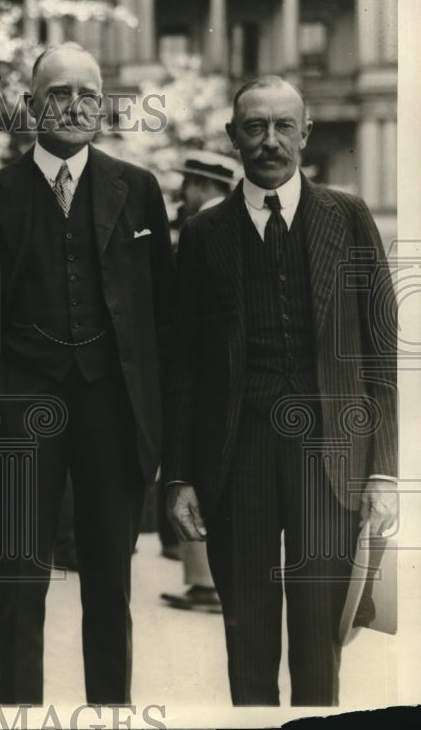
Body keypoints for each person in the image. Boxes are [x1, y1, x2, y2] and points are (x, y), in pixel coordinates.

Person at [0, 43, 174, 705]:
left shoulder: (138, 189)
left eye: (87, 94)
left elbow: (163, 306)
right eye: (58, 93)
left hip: (114, 403)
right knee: (20, 584)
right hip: (23, 404)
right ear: (30, 105)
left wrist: (155, 408)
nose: (74, 105)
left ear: (100, 105)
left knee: (111, 582)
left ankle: (111, 713)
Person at [164, 76, 398, 706]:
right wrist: (180, 474)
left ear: (306, 133)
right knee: (249, 637)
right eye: (255, 127)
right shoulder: (205, 235)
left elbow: (379, 348)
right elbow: (181, 365)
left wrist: (384, 472)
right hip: (237, 457)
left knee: (321, 637)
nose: (270, 141)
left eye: (283, 127)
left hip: (332, 456)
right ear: (234, 136)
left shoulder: (347, 218)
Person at [159, 150, 239, 613]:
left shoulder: (205, 229)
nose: (182, 193)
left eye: (188, 183)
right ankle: (203, 582)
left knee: (201, 476)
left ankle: (208, 585)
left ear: (203, 186)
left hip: (207, 381)